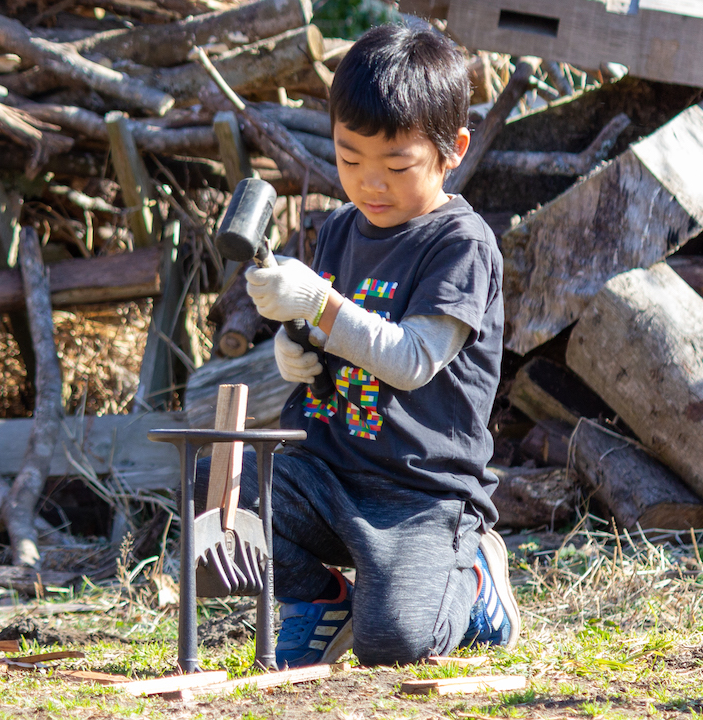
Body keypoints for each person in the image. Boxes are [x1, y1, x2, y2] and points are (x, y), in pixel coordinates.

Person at [207, 22, 516, 667]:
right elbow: (335, 335)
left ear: (453, 149)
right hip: (327, 469)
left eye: (396, 165)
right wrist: (293, 353)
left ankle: (477, 580)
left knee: (395, 643)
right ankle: (322, 600)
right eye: (350, 160)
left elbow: (410, 361)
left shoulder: (460, 245)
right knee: (222, 507)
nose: (370, 184)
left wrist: (319, 305)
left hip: (418, 492)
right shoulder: (345, 229)